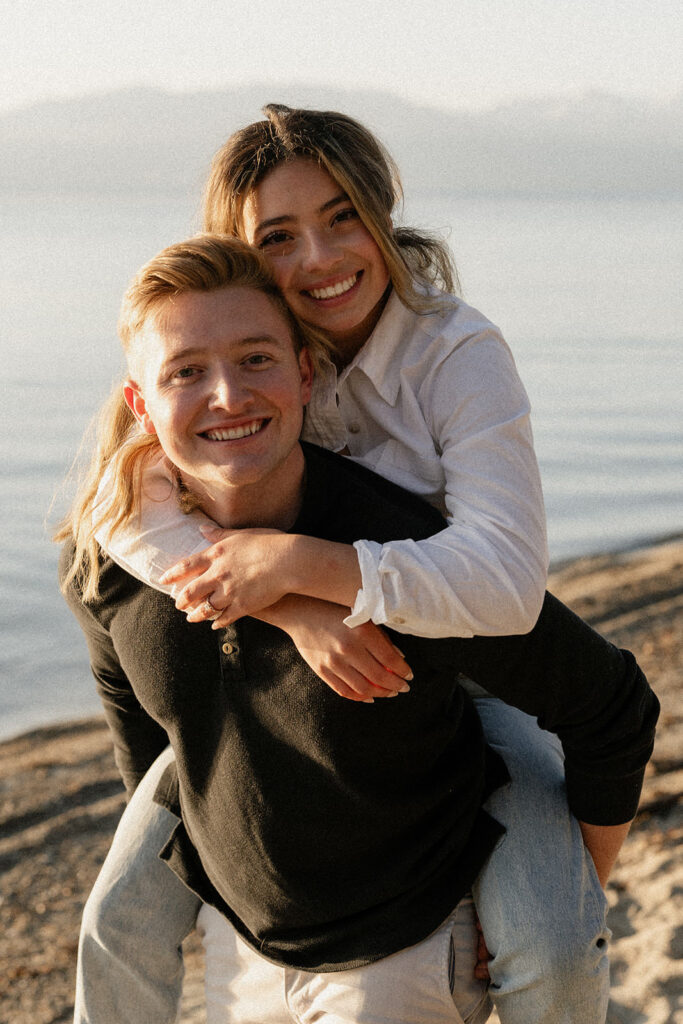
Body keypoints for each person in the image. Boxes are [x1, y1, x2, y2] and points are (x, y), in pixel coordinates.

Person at [60, 235, 658, 1024]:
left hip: (404, 946)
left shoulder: (397, 557)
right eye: (185, 372)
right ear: (141, 403)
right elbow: (147, 731)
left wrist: (575, 885)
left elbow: (611, 707)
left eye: (256, 359)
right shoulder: (109, 559)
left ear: (306, 374)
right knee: (107, 935)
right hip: (247, 953)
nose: (228, 395)